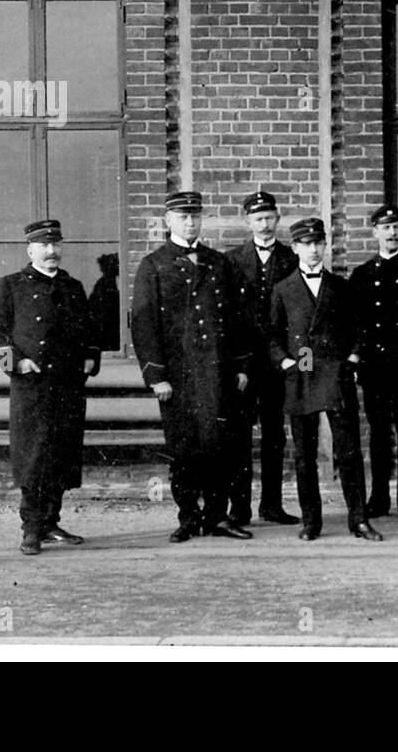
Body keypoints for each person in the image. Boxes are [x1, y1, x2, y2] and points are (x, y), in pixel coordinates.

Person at [131, 191, 253, 543]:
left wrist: (242, 365)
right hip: (178, 377)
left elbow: (238, 318)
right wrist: (156, 375)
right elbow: (143, 324)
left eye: (195, 216)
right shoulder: (153, 265)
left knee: (219, 446)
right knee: (184, 449)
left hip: (217, 373)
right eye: (183, 217)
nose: (190, 222)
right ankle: (188, 517)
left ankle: (216, 517)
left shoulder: (219, 263)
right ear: (168, 221)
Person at [0, 219, 101, 555]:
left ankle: (51, 522)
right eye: (44, 245)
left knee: (61, 456)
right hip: (32, 388)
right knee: (34, 459)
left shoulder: (73, 287)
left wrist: (91, 355)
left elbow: (91, 333)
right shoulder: (11, 286)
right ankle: (31, 529)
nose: (51, 251)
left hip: (68, 387)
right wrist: (16, 361)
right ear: (30, 249)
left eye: (56, 244)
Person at [269, 217, 382, 541]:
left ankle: (358, 520)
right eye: (307, 244)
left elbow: (359, 330)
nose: (314, 250)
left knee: (349, 452)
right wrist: (288, 363)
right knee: (304, 455)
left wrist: (353, 358)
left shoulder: (341, 287)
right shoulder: (284, 289)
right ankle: (311, 521)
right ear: (295, 248)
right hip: (303, 372)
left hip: (335, 373)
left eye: (319, 243)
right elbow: (273, 335)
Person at [225, 190, 300, 527]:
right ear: (248, 222)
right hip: (244, 364)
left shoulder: (293, 258)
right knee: (240, 437)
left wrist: (304, 367)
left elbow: (306, 320)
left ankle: (272, 505)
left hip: (281, 364)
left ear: (278, 219)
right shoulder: (231, 260)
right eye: (258, 219)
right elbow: (225, 317)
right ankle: (238, 508)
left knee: (275, 436)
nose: (265, 224)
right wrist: (233, 363)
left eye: (269, 218)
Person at [348, 203, 398, 522]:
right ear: (375, 232)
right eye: (386, 228)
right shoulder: (362, 274)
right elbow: (353, 323)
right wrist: (355, 359)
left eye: (397, 227)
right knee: (379, 435)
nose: (392, 233)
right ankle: (378, 498)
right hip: (376, 369)